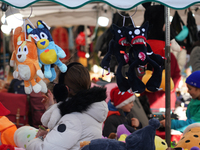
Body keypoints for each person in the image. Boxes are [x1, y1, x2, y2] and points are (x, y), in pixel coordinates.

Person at [26, 62, 108, 150]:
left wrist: (37, 140)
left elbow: (44, 148)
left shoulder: (72, 120)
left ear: (65, 89)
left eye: (57, 84)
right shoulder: (89, 111)